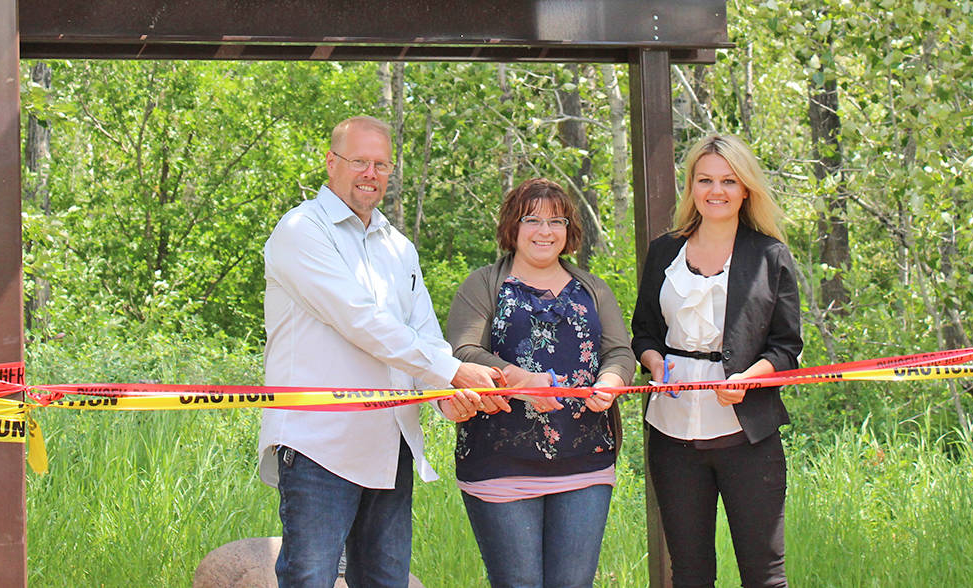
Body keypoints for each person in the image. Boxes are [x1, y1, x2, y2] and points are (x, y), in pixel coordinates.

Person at [258, 115, 507, 588]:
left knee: (386, 582)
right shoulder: (300, 230)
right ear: (331, 164)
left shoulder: (399, 246)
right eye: (359, 162)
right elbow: (360, 322)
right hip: (318, 446)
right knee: (309, 579)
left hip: (391, 445)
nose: (370, 174)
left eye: (381, 164)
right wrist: (451, 372)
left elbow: (423, 334)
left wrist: (442, 393)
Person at [631, 133, 802, 588]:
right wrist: (654, 362)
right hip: (672, 435)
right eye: (705, 180)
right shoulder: (664, 251)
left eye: (728, 180)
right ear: (691, 187)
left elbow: (787, 348)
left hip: (747, 436)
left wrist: (749, 378)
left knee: (764, 575)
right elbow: (644, 332)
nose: (716, 190)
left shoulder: (770, 255)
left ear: (746, 188)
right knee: (689, 574)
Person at [446, 178, 636, 588]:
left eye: (557, 221)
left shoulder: (593, 289)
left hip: (585, 463)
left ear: (570, 231)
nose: (545, 231)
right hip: (499, 465)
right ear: (512, 227)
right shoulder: (483, 285)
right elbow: (460, 352)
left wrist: (610, 379)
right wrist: (516, 379)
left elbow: (620, 352)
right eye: (532, 220)